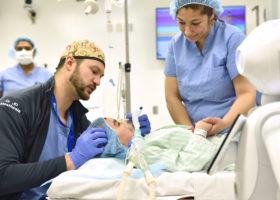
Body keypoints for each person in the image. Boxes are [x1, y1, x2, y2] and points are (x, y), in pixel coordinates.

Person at [0, 40, 151, 200]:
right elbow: (4, 176)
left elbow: (108, 161)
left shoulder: (79, 121)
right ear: (70, 63)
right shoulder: (17, 107)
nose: (98, 82)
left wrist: (136, 135)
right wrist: (70, 160)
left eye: (100, 76)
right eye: (94, 71)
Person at [164, 0, 256, 136]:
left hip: (232, 131)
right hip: (195, 132)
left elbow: (246, 93)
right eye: (181, 22)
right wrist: (191, 133)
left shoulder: (232, 39)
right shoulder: (176, 45)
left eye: (195, 23)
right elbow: (172, 97)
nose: (188, 31)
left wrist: (225, 123)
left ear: (211, 14)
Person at [93, 116, 224, 172]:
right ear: (112, 143)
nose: (125, 121)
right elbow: (187, 162)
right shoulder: (139, 153)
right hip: (226, 156)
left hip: (225, 143)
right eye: (117, 123)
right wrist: (200, 132)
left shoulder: (143, 143)